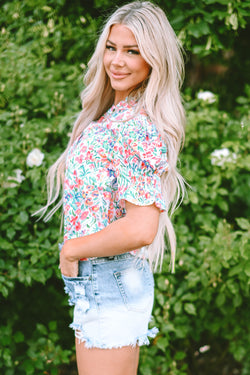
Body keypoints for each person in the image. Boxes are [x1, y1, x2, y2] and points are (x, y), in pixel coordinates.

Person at [38, 1, 185, 374]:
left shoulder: (135, 124)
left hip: (109, 279)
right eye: (112, 47)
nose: (117, 61)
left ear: (154, 59)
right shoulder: (113, 116)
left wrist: (71, 250)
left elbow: (141, 228)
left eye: (132, 51)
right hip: (103, 281)